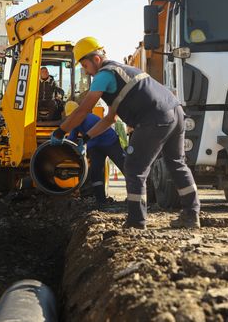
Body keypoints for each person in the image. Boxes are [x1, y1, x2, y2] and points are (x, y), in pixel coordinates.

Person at [50, 37, 200, 230]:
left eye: (85, 65)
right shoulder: (122, 73)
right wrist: (86, 138)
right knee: (177, 163)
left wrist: (61, 131)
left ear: (96, 59)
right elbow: (109, 119)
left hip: (154, 118)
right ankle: (191, 215)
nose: (86, 71)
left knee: (134, 167)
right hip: (175, 111)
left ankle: (136, 221)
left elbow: (82, 110)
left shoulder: (104, 75)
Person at [64, 101, 126, 208]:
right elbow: (72, 139)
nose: (72, 118)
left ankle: (134, 197)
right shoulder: (75, 123)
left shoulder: (90, 119)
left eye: (73, 115)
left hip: (110, 143)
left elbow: (94, 136)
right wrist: (63, 142)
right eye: (70, 116)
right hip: (96, 147)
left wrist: (84, 146)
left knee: (124, 166)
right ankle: (101, 201)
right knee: (95, 172)